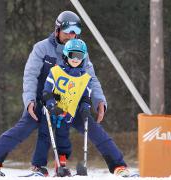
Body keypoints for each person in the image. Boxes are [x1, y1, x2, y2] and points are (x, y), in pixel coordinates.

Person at [0, 10, 115, 177]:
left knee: (92, 129)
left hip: (70, 103)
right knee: (23, 128)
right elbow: (30, 75)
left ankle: (119, 167)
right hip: (43, 101)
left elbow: (91, 79)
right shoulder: (42, 48)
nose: (71, 36)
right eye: (67, 32)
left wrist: (99, 100)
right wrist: (30, 100)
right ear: (57, 30)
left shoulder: (79, 51)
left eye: (75, 33)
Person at [41, 38, 130, 177]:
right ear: (65, 55)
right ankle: (59, 165)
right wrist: (52, 106)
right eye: (72, 55)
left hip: (75, 111)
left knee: (99, 134)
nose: (76, 59)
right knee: (59, 135)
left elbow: (85, 97)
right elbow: (46, 92)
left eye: (79, 56)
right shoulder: (55, 71)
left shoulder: (86, 77)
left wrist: (85, 108)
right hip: (58, 111)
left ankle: (119, 165)